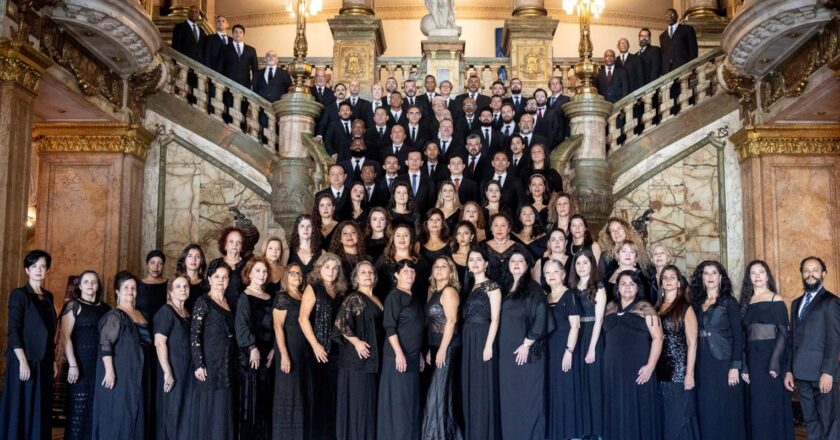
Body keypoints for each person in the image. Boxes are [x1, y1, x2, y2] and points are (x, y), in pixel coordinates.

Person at [91, 271, 154, 440]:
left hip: (140, 371)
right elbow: (106, 344)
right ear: (117, 291)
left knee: (139, 413)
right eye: (126, 287)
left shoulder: (142, 315)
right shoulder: (114, 316)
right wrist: (109, 371)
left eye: (133, 288)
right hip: (122, 373)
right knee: (121, 415)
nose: (130, 291)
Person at [602, 270, 664, 439]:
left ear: (638, 288)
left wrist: (650, 366)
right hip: (612, 368)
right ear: (618, 287)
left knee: (636, 407)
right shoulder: (609, 307)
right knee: (616, 407)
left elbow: (658, 338)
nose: (627, 287)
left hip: (638, 367)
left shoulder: (646, 307)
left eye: (632, 284)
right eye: (623, 283)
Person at [497, 251, 552, 439]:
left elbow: (542, 314)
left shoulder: (533, 287)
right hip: (506, 354)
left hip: (526, 352)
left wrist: (527, 343)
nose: (517, 263)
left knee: (528, 398)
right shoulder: (504, 288)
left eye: (521, 260)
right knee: (510, 399)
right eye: (513, 260)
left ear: (528, 266)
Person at [785, 256, 840, 440]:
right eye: (806, 270)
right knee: (811, 422)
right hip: (801, 375)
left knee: (829, 422)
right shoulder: (795, 304)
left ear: (823, 274)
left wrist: (828, 372)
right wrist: (789, 370)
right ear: (802, 274)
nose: (810, 274)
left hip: (822, 375)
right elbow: (792, 340)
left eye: (815, 270)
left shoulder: (831, 302)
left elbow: (834, 340)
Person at [690, 260, 746, 440]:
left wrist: (735, 366)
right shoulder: (696, 302)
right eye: (706, 273)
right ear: (702, 278)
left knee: (726, 408)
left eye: (714, 273)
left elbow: (739, 336)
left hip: (724, 362)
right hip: (702, 362)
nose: (710, 277)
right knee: (706, 408)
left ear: (720, 276)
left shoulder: (729, 302)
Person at [739, 260, 794, 440]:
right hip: (752, 361)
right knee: (756, 408)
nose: (757, 276)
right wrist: (745, 366)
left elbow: (783, 334)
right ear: (749, 278)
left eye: (761, 272)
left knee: (771, 407)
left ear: (767, 275)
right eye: (753, 273)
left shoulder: (775, 300)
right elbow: (743, 338)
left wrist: (775, 363)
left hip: (771, 358)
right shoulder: (746, 302)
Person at [333, 261, 384, 440]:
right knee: (358, 404)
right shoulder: (354, 298)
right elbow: (340, 324)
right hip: (356, 361)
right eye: (363, 272)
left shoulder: (377, 299)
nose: (368, 275)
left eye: (370, 272)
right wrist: (356, 342)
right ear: (356, 277)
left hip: (373, 360)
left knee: (368, 403)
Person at [299, 253, 347, 440]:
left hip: (336, 351)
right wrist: (316, 346)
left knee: (333, 398)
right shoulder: (313, 288)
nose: (331, 271)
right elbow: (303, 319)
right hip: (317, 351)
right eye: (327, 267)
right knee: (318, 398)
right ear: (319, 269)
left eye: (335, 268)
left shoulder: (340, 291)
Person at [377, 260, 425, 440]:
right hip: (398, 357)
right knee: (398, 403)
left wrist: (419, 352)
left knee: (410, 403)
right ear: (396, 275)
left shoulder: (415, 297)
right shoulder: (394, 296)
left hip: (412, 356)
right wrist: (399, 353)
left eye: (412, 271)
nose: (410, 275)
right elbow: (390, 327)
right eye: (405, 271)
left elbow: (414, 326)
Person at [60, 270, 110, 440]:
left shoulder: (105, 308)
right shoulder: (74, 305)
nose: (90, 285)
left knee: (96, 408)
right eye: (86, 282)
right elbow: (65, 337)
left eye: (94, 282)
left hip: (100, 364)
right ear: (80, 285)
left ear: (98, 286)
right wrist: (73, 364)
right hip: (79, 364)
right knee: (78, 409)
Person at [190, 259, 237, 440]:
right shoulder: (203, 302)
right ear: (209, 278)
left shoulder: (228, 302)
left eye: (225, 277)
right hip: (209, 363)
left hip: (226, 362)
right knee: (210, 407)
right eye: (217, 276)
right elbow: (194, 334)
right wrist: (198, 364)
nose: (220, 280)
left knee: (224, 405)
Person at [459, 247, 501, 440]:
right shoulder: (470, 288)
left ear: (485, 264)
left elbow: (495, 319)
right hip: (468, 338)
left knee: (482, 384)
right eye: (471, 260)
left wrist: (488, 345)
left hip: (483, 336)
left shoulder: (492, 286)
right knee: (471, 384)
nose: (474, 262)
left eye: (478, 259)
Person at [655, 265, 700, 440]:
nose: (668, 281)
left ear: (679, 282)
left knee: (679, 418)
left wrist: (689, 373)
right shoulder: (657, 306)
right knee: (665, 418)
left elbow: (692, 342)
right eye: (665, 278)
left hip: (679, 372)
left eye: (672, 277)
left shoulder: (685, 308)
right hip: (660, 371)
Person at [422, 257, 463, 439]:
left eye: (443, 266)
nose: (439, 269)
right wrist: (432, 348)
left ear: (450, 271)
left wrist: (442, 349)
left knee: (439, 392)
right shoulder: (432, 291)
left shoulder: (449, 291)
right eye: (436, 266)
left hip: (449, 345)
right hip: (437, 345)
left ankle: (439, 435)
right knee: (440, 391)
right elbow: (432, 323)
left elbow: (452, 321)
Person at [235, 257, 276, 439]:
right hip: (252, 353)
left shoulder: (270, 297)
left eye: (264, 271)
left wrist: (275, 348)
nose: (261, 274)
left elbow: (276, 326)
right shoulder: (245, 296)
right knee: (251, 399)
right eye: (257, 271)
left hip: (269, 354)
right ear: (249, 274)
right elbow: (242, 325)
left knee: (265, 399)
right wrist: (252, 347)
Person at [568, 249, 607, 438]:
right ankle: (582, 429)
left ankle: (597, 431)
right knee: (579, 384)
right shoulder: (571, 288)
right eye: (578, 263)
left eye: (585, 262)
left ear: (592, 265)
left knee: (593, 384)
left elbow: (599, 320)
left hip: (592, 336)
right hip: (576, 337)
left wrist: (592, 348)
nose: (581, 266)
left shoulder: (598, 287)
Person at [544, 259, 582, 439]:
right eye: (547, 273)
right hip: (548, 350)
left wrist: (569, 351)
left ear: (563, 274)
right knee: (552, 390)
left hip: (564, 349)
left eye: (555, 272)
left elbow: (575, 326)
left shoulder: (570, 295)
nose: (551, 276)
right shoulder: (546, 297)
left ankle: (570, 434)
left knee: (566, 389)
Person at [272, 263, 310, 440]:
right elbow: (278, 327)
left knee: (302, 392)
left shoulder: (304, 296)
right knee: (289, 393)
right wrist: (284, 355)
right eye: (293, 274)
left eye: (300, 274)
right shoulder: (283, 297)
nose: (297, 277)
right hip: (289, 349)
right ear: (286, 276)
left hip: (305, 350)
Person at [153, 274, 193, 439]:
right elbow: (159, 342)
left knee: (184, 412)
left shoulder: (186, 312)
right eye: (178, 286)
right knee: (172, 410)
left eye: (185, 286)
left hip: (186, 370)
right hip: (172, 368)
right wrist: (167, 371)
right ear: (170, 292)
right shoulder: (166, 311)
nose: (183, 290)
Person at [482, 213, 529, 281]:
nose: (499, 229)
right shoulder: (483, 247)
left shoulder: (519, 247)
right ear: (491, 228)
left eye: (503, 225)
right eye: (496, 225)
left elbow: (527, 270)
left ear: (509, 229)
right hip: (489, 287)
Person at [219, 226, 250, 311]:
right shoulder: (215, 264)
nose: (235, 245)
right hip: (219, 309)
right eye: (231, 241)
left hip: (242, 310)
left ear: (242, 247)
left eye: (238, 242)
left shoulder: (249, 265)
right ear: (225, 245)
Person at [217, 24, 258, 88]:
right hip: (228, 85)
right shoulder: (224, 48)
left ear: (243, 34)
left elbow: (255, 70)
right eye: (236, 32)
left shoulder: (251, 50)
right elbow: (220, 67)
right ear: (232, 34)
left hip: (245, 86)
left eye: (240, 32)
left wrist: (254, 84)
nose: (238, 34)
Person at [660, 8, 698, 74]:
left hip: (683, 70)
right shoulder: (662, 36)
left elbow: (693, 50)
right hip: (667, 73)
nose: (670, 16)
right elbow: (663, 55)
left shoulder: (687, 29)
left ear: (677, 16)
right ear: (665, 18)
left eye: (672, 14)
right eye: (667, 15)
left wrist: (692, 68)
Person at [512, 204, 548, 268]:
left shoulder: (545, 237)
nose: (528, 216)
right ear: (519, 217)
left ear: (536, 217)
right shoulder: (512, 236)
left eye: (531, 213)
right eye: (524, 214)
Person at [137, 250, 168, 324]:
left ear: (163, 266)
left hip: (164, 325)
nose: (156, 267)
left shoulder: (169, 284)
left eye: (160, 263)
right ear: (147, 265)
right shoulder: (138, 284)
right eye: (152, 262)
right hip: (143, 326)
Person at [175, 243, 207, 311]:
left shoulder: (207, 284)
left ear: (201, 261)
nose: (194, 259)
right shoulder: (176, 282)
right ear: (184, 259)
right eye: (190, 256)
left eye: (197, 256)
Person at [450, 221, 476, 298]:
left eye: (466, 233)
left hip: (474, 297)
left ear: (472, 236)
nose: (462, 237)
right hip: (454, 297)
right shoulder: (449, 257)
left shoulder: (479, 257)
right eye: (459, 233)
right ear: (456, 237)